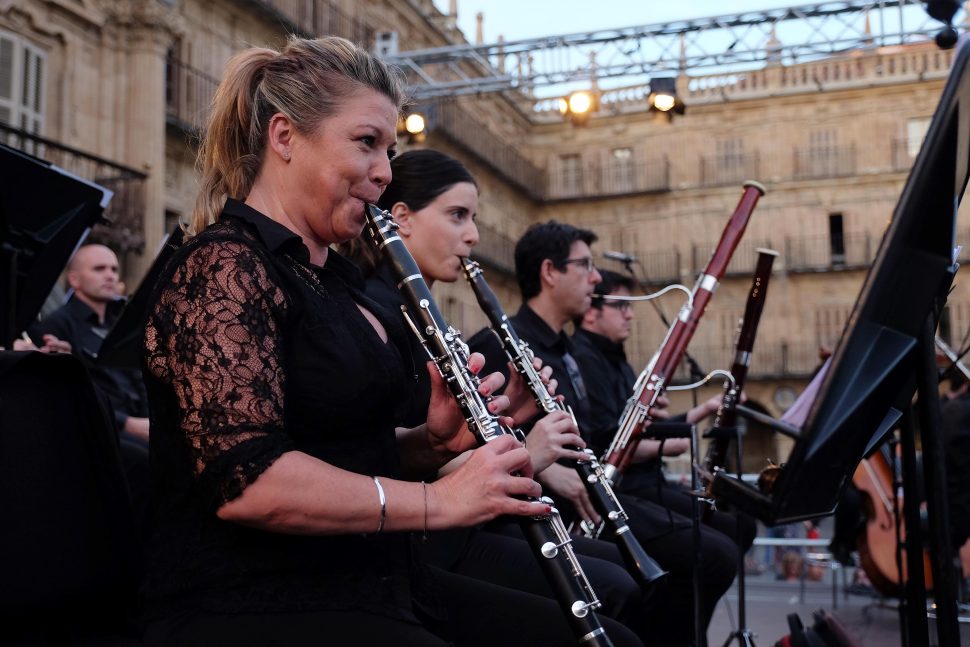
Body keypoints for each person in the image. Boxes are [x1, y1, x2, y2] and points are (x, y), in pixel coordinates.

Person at [140, 37, 637, 646]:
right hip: (256, 599)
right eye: (366, 142)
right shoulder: (223, 267)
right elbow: (249, 481)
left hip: (372, 576)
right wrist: (440, 501)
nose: (384, 171)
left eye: (389, 149)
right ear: (285, 137)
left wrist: (429, 443)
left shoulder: (334, 282)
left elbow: (342, 446)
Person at [341, 148, 646, 641]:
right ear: (401, 220)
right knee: (614, 594)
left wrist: (518, 411)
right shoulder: (379, 311)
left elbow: (435, 445)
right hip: (425, 543)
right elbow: (387, 459)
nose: (474, 236)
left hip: (449, 530)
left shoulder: (413, 312)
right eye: (457, 215)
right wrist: (530, 452)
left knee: (617, 586)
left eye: (474, 218)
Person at [467, 220, 737, 646]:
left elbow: (596, 437)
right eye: (585, 266)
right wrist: (539, 463)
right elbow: (479, 436)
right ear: (550, 272)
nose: (596, 278)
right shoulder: (498, 343)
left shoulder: (571, 350)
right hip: (550, 508)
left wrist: (678, 425)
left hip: (592, 498)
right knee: (702, 559)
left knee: (714, 547)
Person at [572, 269, 757, 553]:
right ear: (590, 314)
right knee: (722, 544)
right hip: (627, 487)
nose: (630, 315)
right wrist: (664, 447)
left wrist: (705, 409)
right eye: (621, 305)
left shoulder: (616, 359)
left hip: (647, 481)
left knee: (740, 524)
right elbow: (608, 443)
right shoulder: (585, 358)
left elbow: (638, 429)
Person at [28, 243, 150, 445]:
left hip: (139, 422)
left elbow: (137, 374)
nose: (110, 275)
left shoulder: (118, 322)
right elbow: (71, 393)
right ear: (74, 279)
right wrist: (126, 423)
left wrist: (150, 419)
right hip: (101, 430)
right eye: (99, 269)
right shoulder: (58, 325)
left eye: (114, 269)